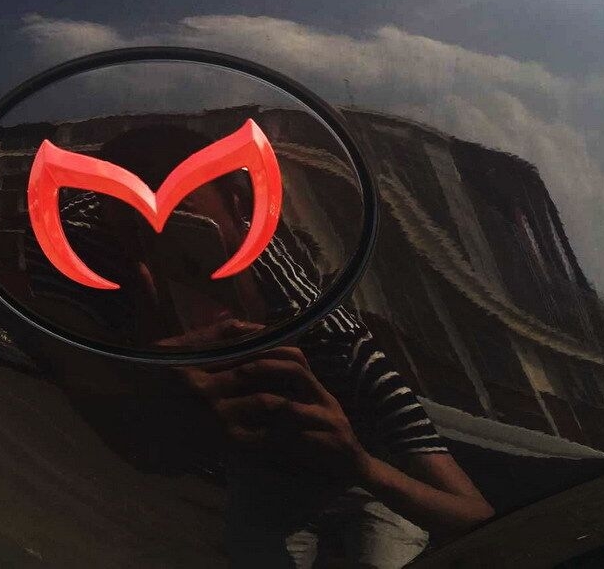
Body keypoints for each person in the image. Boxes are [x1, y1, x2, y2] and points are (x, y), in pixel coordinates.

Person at [24, 122, 494, 567]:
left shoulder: (335, 342)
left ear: (239, 210)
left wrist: (359, 463)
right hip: (261, 490)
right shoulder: (120, 314)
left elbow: (475, 516)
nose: (155, 267)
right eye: (133, 244)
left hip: (364, 487)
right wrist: (151, 378)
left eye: (185, 236)